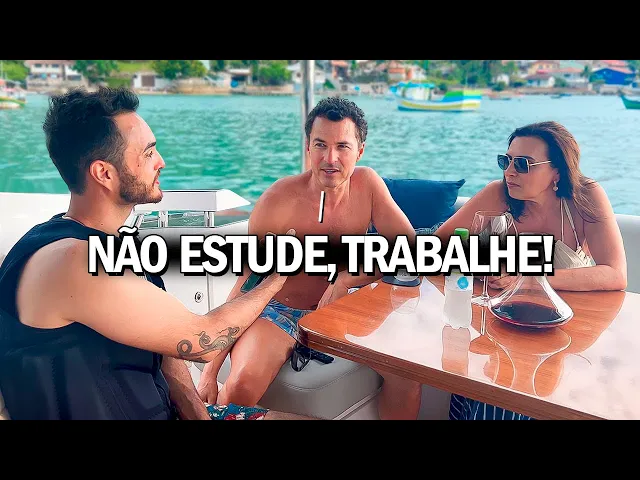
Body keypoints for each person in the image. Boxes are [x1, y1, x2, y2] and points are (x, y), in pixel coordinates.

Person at [0, 86, 310, 420]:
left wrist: (197, 412)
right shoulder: (73, 263)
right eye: (148, 153)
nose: (161, 162)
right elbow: (203, 341)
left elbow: (166, 350)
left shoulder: (108, 245)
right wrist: (277, 276)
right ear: (104, 173)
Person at [197, 96, 423, 420]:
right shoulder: (278, 201)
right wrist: (209, 371)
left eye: (342, 147)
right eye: (320, 145)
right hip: (280, 311)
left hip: (342, 309)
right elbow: (246, 285)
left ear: (360, 151)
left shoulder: (368, 186)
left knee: (408, 377)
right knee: (240, 385)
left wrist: (348, 278)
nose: (330, 159)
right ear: (308, 147)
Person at [434, 120, 627, 419]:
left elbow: (614, 273)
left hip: (560, 332)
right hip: (500, 324)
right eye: (506, 161)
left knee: (516, 396)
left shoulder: (585, 197)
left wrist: (527, 276)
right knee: (475, 382)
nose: (509, 172)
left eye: (523, 164)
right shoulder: (498, 194)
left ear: (557, 171)